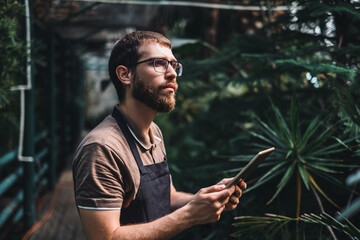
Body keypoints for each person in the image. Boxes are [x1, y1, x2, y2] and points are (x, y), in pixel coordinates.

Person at [72, 30, 247, 240]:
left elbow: (167, 197)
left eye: (173, 65)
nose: (172, 73)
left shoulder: (154, 131)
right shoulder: (101, 148)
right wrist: (189, 215)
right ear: (125, 75)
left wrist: (208, 199)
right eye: (158, 63)